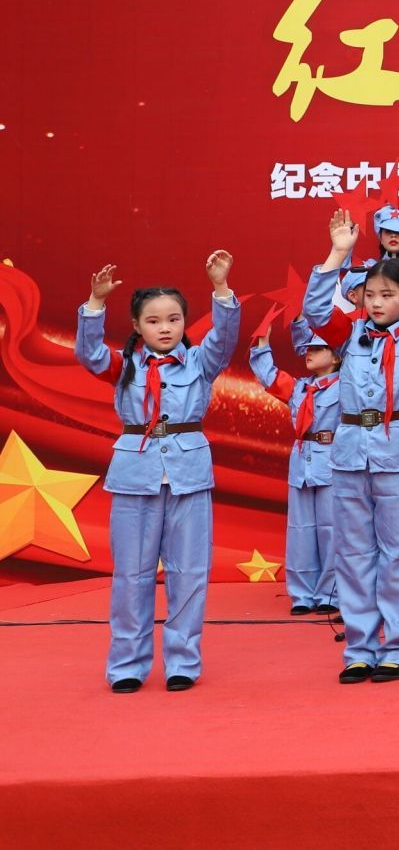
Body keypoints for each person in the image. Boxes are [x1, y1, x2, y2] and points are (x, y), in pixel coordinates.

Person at [75, 251, 239, 692]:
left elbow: (225, 339)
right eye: (153, 321)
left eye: (173, 319)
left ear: (185, 323)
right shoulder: (124, 364)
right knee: (132, 573)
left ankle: (182, 661)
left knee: (189, 572)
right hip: (135, 473)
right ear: (136, 326)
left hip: (188, 472)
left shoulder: (201, 362)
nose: (164, 328)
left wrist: (221, 288)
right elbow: (88, 355)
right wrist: (94, 303)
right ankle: (127, 665)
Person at [303, 209, 399, 684]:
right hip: (350, 452)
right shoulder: (349, 335)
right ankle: (359, 647)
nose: (376, 302)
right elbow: (314, 312)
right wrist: (339, 253)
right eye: (370, 294)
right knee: (353, 552)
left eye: (388, 295)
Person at [249, 314, 349, 616]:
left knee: (333, 530)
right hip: (303, 462)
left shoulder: (347, 387)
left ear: (335, 357)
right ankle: (302, 593)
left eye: (317, 349)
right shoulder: (300, 388)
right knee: (300, 530)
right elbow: (268, 375)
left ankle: (331, 593)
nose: (309, 352)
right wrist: (262, 343)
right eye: (308, 348)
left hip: (333, 461)